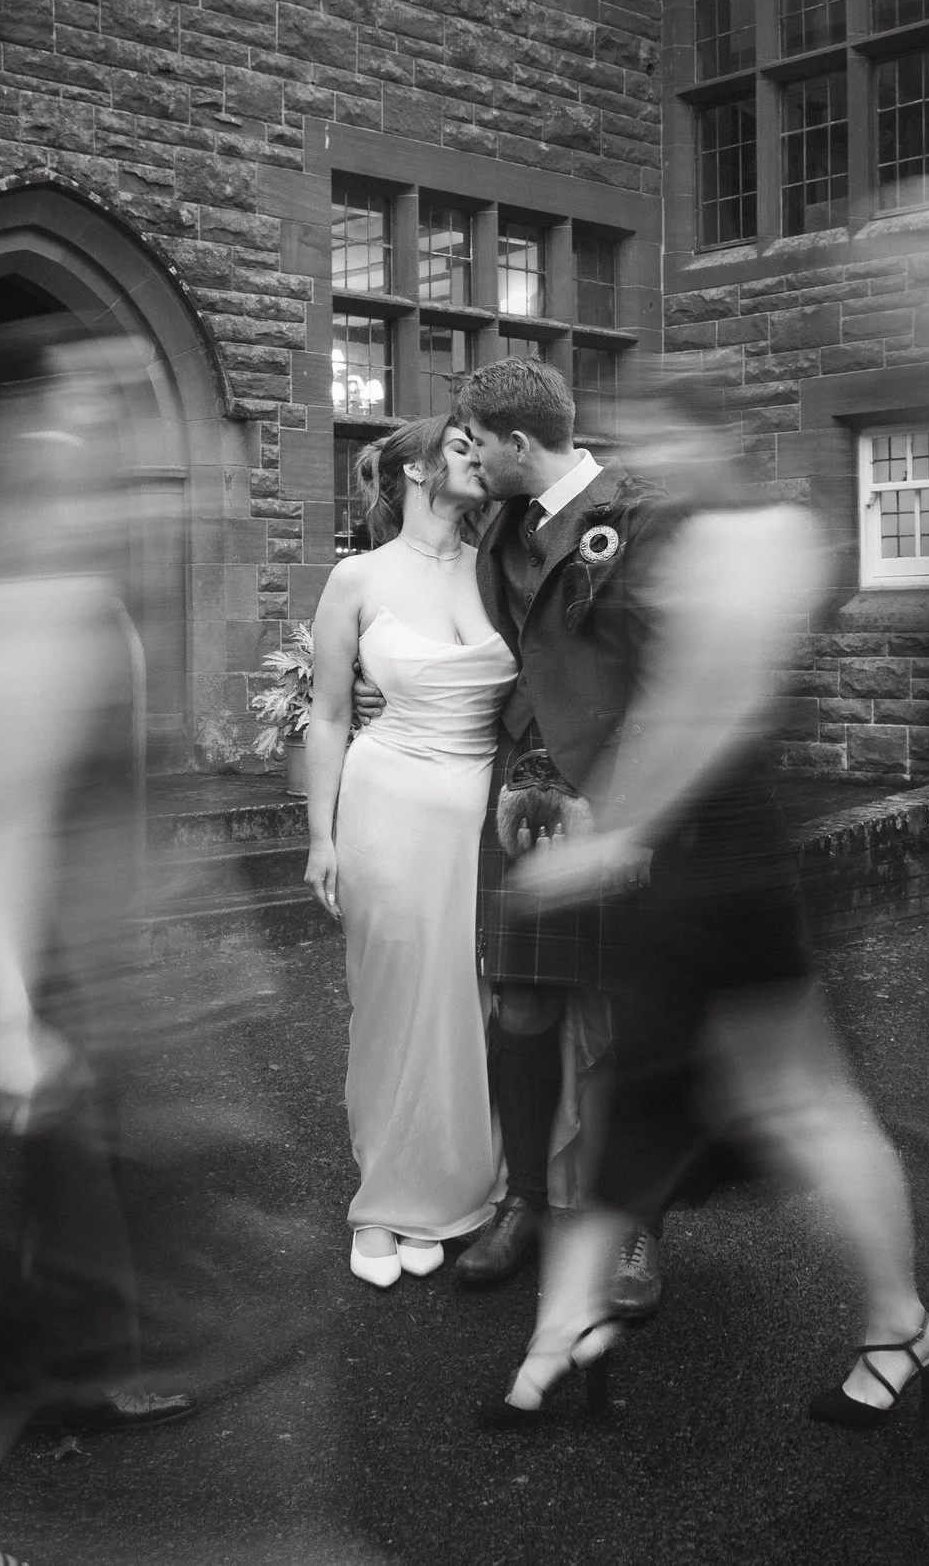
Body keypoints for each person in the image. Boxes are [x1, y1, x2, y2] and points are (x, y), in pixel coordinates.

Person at [457, 359, 929, 1431]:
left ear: (708, 439)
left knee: (810, 1112)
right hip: (669, 860)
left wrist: (613, 831)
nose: (636, 469)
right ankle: (562, 1330)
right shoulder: (676, 536)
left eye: (658, 441)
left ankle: (900, 1319)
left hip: (729, 860)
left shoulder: (762, 540)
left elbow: (704, 710)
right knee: (631, 1100)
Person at [0, 328, 192, 1566]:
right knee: (67, 1254)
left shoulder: (93, 604)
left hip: (94, 974)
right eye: (77, 429)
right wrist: (12, 1014)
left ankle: (75, 1371)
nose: (102, 458)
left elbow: (111, 802)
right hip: (38, 981)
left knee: (100, 1228)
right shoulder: (9, 617)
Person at [449, 365, 649, 1315]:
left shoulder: (639, 515)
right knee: (521, 1006)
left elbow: (669, 672)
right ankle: (526, 1201)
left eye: (476, 440)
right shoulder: (498, 527)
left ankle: (635, 1224)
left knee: (624, 1011)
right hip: (522, 795)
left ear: (518, 444)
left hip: (615, 795)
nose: (469, 455)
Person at [303, 415, 513, 1285]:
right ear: (420, 470)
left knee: (468, 997)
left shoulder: (502, 569)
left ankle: (448, 1180)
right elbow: (328, 713)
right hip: (386, 802)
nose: (482, 457)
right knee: (392, 995)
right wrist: (320, 835)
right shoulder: (356, 577)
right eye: (464, 447)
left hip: (479, 814)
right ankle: (387, 1195)